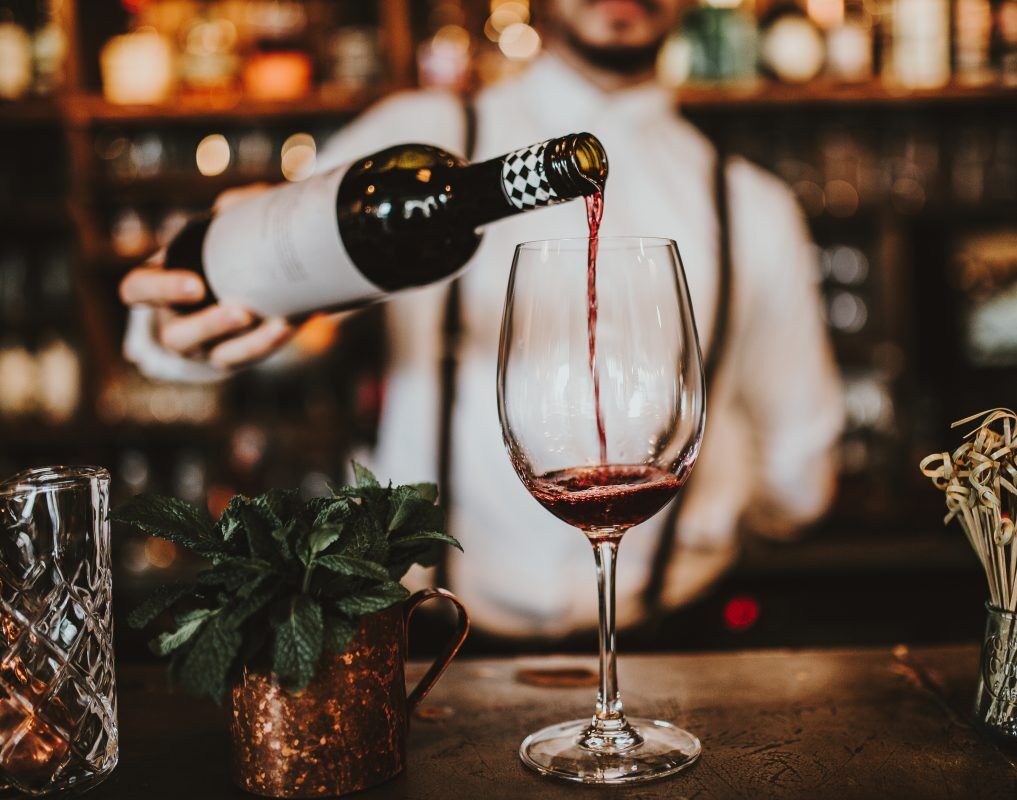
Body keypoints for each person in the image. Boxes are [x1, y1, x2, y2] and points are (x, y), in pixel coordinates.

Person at [119, 0, 844, 638]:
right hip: (435, 645)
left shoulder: (755, 206)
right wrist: (191, 322)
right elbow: (275, 309)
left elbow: (801, 470)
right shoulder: (422, 136)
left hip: (674, 648)